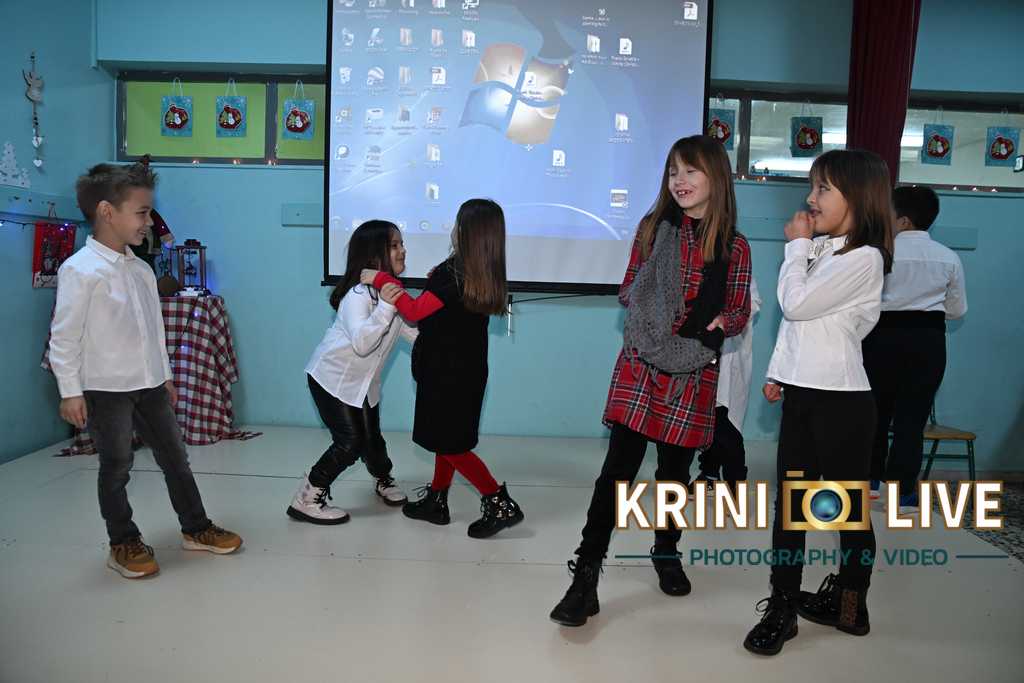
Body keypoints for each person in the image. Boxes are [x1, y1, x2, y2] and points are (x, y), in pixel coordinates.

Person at [549, 135, 752, 627]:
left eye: (691, 171)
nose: (679, 181)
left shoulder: (735, 246)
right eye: (673, 172)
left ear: (716, 178)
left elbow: (739, 310)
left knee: (674, 475)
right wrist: (653, 313)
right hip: (641, 362)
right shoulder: (651, 228)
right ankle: (585, 577)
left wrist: (717, 324)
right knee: (615, 473)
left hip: (693, 372)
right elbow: (628, 289)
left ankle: (666, 551)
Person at [50, 162, 242, 579]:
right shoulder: (79, 271)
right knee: (117, 465)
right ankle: (122, 541)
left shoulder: (140, 268)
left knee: (176, 458)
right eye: (141, 213)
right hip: (106, 390)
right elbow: (63, 337)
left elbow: (153, 330)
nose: (149, 222)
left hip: (151, 386)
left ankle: (196, 527)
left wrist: (165, 375)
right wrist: (70, 391)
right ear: (107, 212)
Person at [744, 149, 892, 655]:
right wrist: (779, 373)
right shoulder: (824, 249)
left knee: (846, 515)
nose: (811, 198)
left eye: (823, 188)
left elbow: (797, 303)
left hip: (843, 403)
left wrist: (796, 248)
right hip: (804, 394)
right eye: (812, 187)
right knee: (791, 510)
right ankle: (782, 608)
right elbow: (802, 328)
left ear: (859, 196)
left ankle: (851, 607)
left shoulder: (865, 258)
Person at [364, 198, 525, 539]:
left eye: (457, 223)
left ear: (465, 232)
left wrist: (380, 280)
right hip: (466, 371)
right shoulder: (480, 273)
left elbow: (413, 312)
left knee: (452, 445)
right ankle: (437, 501)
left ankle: (499, 502)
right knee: (446, 437)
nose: (453, 228)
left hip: (446, 374)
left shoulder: (453, 274)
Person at [287, 220, 415, 525]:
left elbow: (409, 332)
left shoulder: (389, 295)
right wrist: (386, 307)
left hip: (364, 383)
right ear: (374, 255)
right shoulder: (358, 295)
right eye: (394, 245)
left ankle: (383, 478)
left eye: (401, 244)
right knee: (350, 442)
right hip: (332, 379)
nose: (402, 250)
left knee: (372, 440)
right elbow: (362, 343)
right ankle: (306, 498)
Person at [863, 186, 967, 512]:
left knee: (875, 415)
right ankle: (903, 494)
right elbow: (957, 310)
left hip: (881, 339)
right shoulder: (948, 257)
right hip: (928, 342)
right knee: (912, 421)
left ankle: (870, 483)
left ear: (904, 220)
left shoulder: (879, 253)